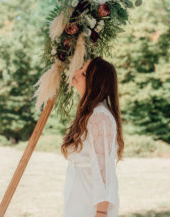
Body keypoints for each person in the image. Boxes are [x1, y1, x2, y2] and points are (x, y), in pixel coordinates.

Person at [61, 56, 124, 217]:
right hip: (78, 198)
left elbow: (104, 168)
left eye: (83, 73)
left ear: (94, 83)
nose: (76, 73)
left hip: (91, 205)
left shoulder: (99, 117)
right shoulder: (88, 113)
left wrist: (101, 212)